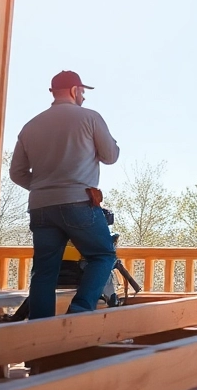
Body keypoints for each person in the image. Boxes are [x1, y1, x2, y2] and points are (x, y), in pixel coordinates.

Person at [9, 70, 120, 319]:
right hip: (79, 203)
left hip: (40, 206)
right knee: (103, 255)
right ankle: (78, 315)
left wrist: (44, 188)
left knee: (45, 270)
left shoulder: (30, 126)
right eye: (82, 91)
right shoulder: (90, 118)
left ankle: (40, 335)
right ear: (74, 90)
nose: (83, 97)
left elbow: (16, 173)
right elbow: (110, 156)